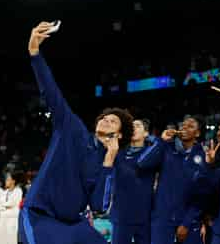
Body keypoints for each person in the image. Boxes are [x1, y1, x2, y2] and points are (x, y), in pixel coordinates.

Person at [19, 22, 134, 244]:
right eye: (104, 117)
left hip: (74, 225)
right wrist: (35, 54)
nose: (105, 120)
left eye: (113, 121)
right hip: (40, 218)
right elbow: (52, 93)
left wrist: (109, 160)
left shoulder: (108, 163)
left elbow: (100, 206)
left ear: (119, 135)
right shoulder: (72, 129)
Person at [137, 116, 207, 244]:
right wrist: (161, 141)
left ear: (197, 133)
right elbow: (142, 163)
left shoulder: (203, 156)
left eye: (190, 126)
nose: (184, 127)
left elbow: (201, 195)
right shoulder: (166, 148)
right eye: (183, 125)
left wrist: (187, 223)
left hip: (188, 221)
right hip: (162, 219)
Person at [111, 119, 161, 244]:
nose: (133, 129)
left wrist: (153, 138)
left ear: (146, 134)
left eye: (137, 126)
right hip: (121, 215)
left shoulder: (152, 154)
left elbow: (160, 146)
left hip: (144, 215)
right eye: (131, 126)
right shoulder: (119, 152)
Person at [0, 173, 23, 244]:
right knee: (2, 241)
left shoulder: (18, 191)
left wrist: (3, 206)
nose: (6, 181)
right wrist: (6, 206)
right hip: (3, 220)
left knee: (11, 241)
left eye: (8, 180)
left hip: (12, 221)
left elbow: (12, 203)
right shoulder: (4, 192)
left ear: (13, 181)